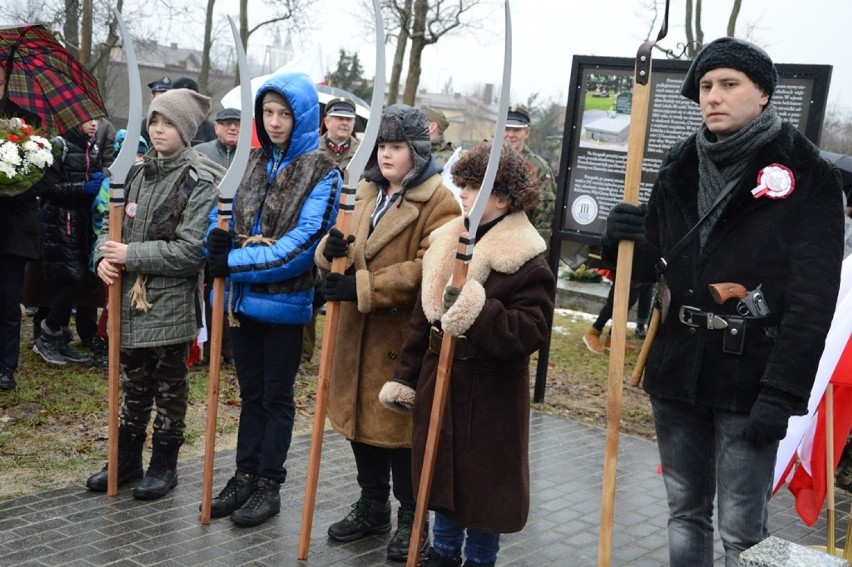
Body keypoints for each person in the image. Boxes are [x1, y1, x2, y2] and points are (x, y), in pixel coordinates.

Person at [601, 38, 845, 566]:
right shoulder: (679, 162)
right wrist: (619, 238)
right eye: (706, 86)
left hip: (750, 377)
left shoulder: (808, 175)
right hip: (678, 366)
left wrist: (782, 393)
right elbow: (651, 265)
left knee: (742, 531)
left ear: (761, 93)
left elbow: (813, 301)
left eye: (729, 84)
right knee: (684, 511)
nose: (713, 96)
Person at [379, 141, 555, 567]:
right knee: (440, 482)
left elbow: (529, 331)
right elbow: (424, 318)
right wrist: (405, 377)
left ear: (502, 197)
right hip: (438, 381)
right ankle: (442, 553)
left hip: (489, 396)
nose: (461, 193)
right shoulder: (448, 240)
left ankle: (479, 559)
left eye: (472, 187)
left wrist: (476, 308)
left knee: (483, 493)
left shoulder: (528, 259)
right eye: (461, 184)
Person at [315, 104, 460, 561]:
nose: (386, 155)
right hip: (355, 336)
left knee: (399, 435)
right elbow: (340, 242)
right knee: (360, 426)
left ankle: (413, 519)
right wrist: (328, 250)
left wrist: (361, 285)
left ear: (417, 150)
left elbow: (426, 269)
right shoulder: (362, 190)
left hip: (399, 339)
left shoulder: (440, 201)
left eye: (396, 146)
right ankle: (372, 504)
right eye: (381, 145)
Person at [203, 72, 341, 527]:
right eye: (268, 112)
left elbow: (303, 247)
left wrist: (232, 263)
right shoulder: (250, 159)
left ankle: (268, 484)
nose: (275, 121)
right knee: (250, 395)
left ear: (302, 117)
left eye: (284, 113)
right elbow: (219, 217)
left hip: (285, 304)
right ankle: (243, 475)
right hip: (241, 304)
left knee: (277, 398)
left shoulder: (323, 170)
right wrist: (215, 246)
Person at [85, 88, 223, 500]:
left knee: (168, 387)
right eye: (155, 122)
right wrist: (102, 259)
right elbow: (107, 231)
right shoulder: (135, 173)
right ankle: (126, 459)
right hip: (127, 301)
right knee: (133, 385)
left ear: (186, 129)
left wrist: (129, 255)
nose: (159, 130)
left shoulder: (201, 180)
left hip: (170, 303)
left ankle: (164, 464)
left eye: (168, 124)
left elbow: (190, 250)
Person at [29, 118, 105, 366]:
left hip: (80, 222)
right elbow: (46, 188)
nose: (94, 124)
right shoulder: (58, 145)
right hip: (58, 222)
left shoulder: (91, 148)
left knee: (76, 279)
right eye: (88, 119)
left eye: (98, 119)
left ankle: (59, 337)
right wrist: (82, 188)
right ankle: (47, 336)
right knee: (73, 279)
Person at [0, 60, 48, 391]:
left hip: (13, 226)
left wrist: (14, 182)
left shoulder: (24, 122)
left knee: (7, 299)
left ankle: (5, 366)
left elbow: (43, 175)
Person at [194, 107, 241, 367]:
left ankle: (229, 348)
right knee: (206, 291)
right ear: (216, 127)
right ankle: (206, 347)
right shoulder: (202, 152)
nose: (232, 128)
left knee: (229, 292)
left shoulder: (249, 155)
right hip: (205, 230)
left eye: (237, 124)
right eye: (226, 123)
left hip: (235, 232)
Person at [503, 105, 556, 251]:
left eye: (516, 130)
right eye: (506, 129)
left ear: (526, 132)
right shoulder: (486, 161)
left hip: (520, 244)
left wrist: (537, 256)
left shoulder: (538, 167)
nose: (510, 135)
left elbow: (544, 218)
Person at [319, 97, 361, 183]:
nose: (345, 123)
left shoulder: (362, 152)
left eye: (349, 119)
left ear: (353, 124)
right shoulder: (312, 149)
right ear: (327, 122)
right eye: (340, 118)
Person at [171, 77, 216, 146]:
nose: (185, 102)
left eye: (190, 98)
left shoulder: (209, 129)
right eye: (180, 98)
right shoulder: (162, 125)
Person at [140, 76, 171, 146]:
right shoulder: (144, 122)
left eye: (167, 98)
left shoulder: (176, 121)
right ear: (152, 98)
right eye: (160, 98)